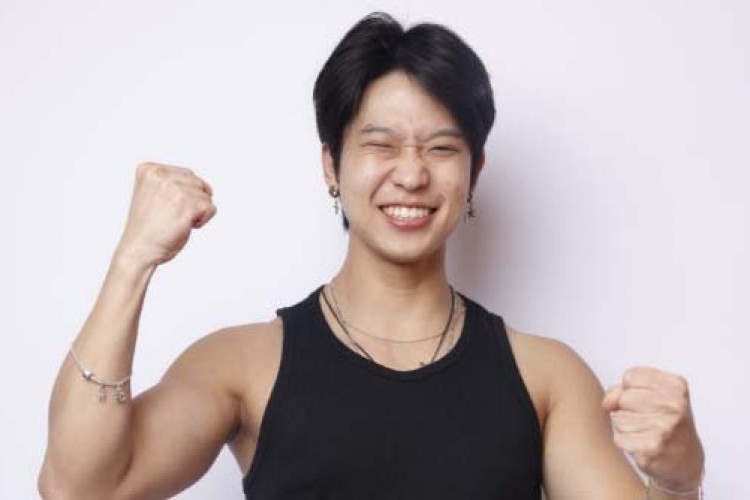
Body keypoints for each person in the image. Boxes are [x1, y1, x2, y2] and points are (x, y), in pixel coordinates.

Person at [39, 12, 705, 500]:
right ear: (332, 164)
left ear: (474, 172)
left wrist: (679, 480)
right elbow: (80, 488)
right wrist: (133, 260)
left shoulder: (547, 378)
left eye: (442, 148)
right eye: (381, 145)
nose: (411, 175)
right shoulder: (243, 364)